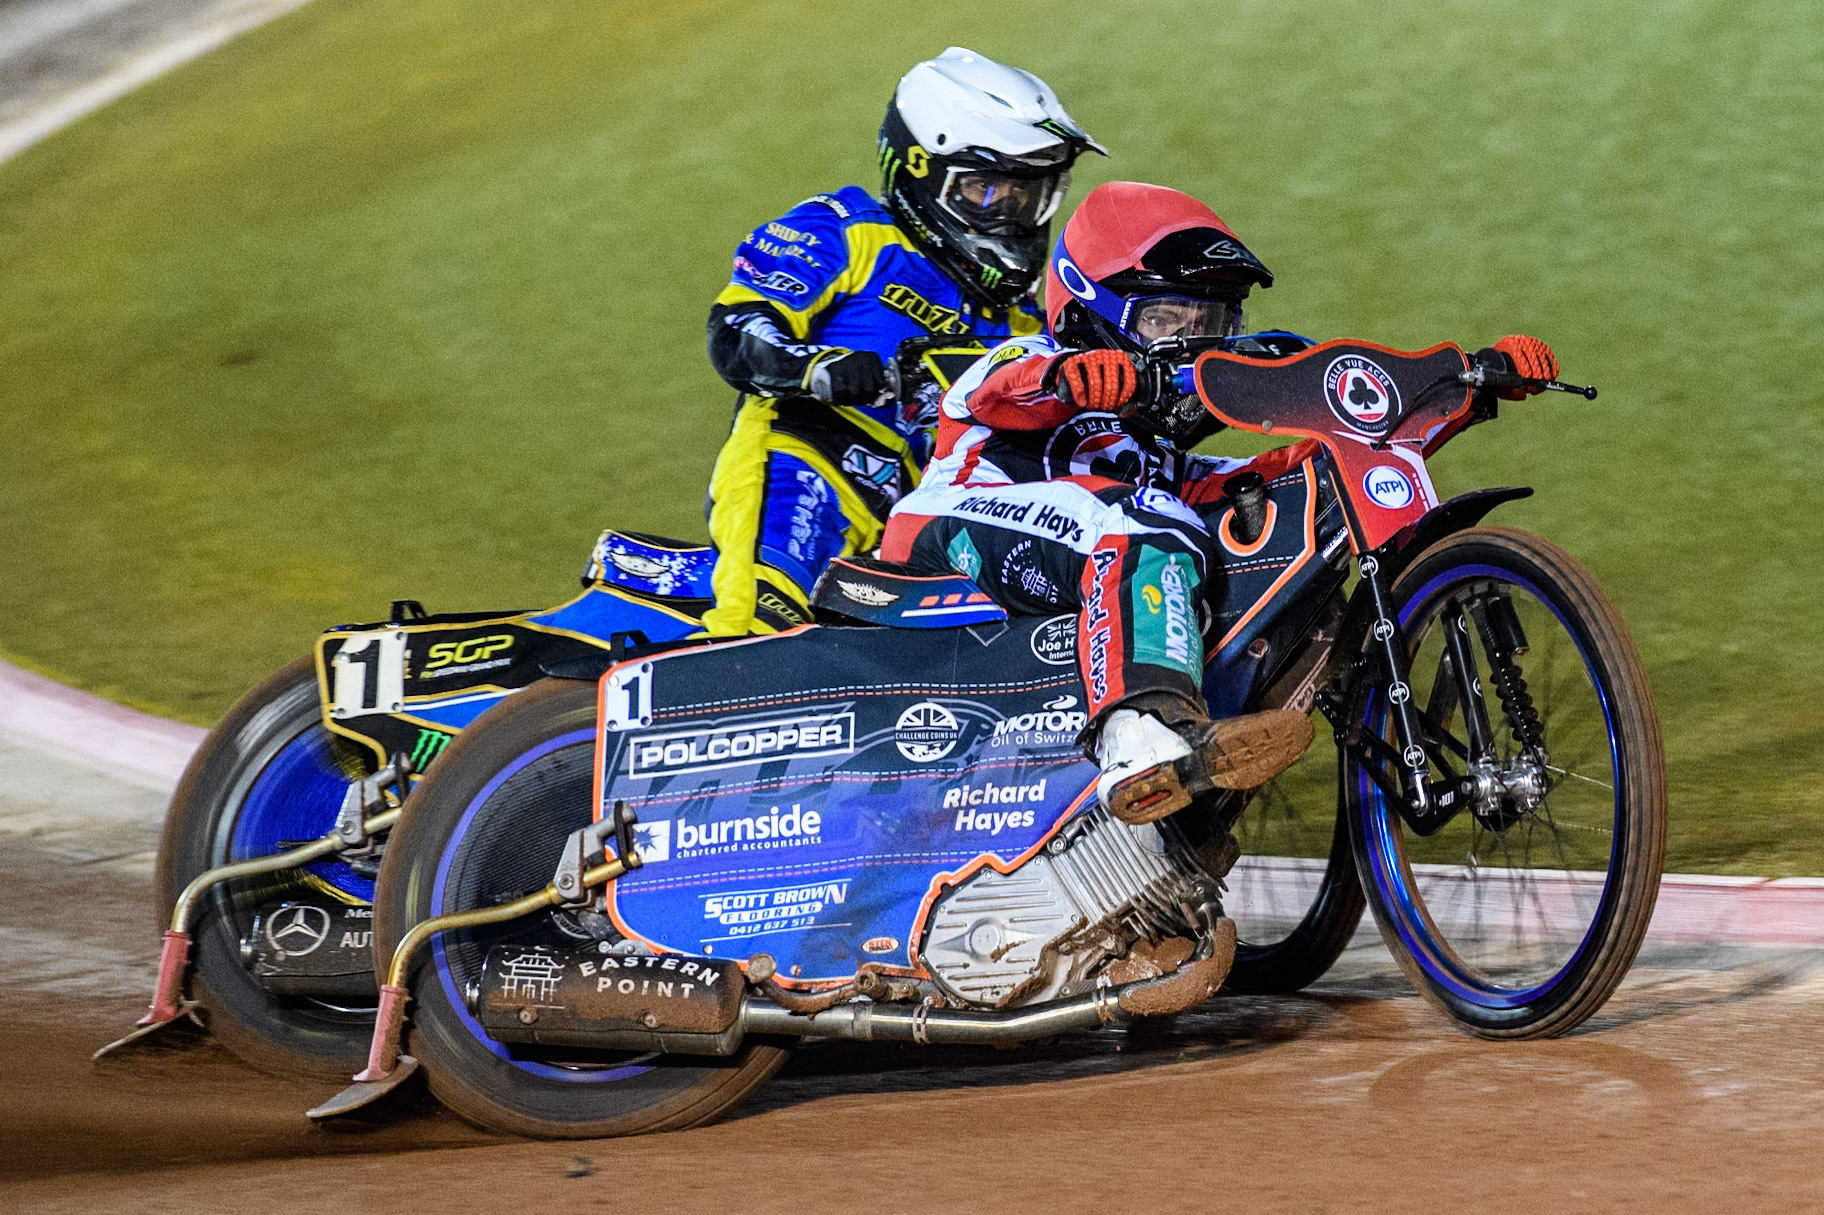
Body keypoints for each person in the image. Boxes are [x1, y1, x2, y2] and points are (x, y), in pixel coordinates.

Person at [882, 180, 1558, 823]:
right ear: (1090, 309)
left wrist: (1461, 395)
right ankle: (1137, 738)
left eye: (1211, 319)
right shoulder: (1028, 353)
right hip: (948, 525)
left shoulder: (1162, 455)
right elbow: (1005, 390)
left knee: (1288, 493)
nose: (1195, 341)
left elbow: (1313, 461)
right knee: (1147, 523)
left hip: (1100, 531)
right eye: (1168, 318)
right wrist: (1071, 376)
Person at [699, 47, 1104, 636]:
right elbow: (737, 331)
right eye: (987, 191)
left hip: (927, 511)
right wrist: (821, 369)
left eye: (1027, 195)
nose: (1011, 214)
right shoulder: (846, 228)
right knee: (763, 631)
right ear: (919, 170)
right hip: (810, 466)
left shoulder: (1023, 320)